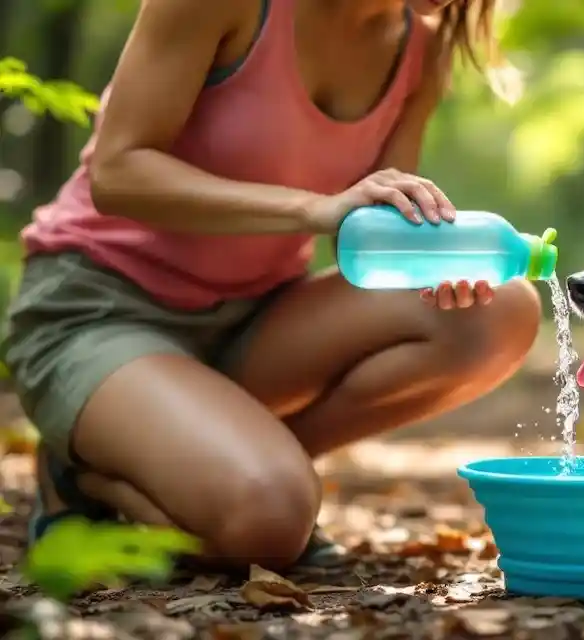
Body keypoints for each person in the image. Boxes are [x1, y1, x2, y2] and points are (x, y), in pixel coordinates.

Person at [1, 0, 541, 570]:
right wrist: (312, 208)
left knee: (500, 309)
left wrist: (430, 266)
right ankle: (85, 480)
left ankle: (222, 459)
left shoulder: (421, 49)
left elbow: (369, 236)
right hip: (99, 310)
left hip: (255, 321)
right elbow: (117, 172)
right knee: (271, 522)